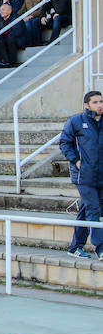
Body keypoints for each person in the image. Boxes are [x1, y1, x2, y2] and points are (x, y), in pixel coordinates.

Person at [60, 91, 103, 259]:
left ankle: (75, 247)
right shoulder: (76, 120)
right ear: (87, 105)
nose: (99, 105)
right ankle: (100, 248)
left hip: (100, 174)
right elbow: (65, 143)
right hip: (83, 175)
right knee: (93, 208)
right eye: (95, 102)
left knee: (86, 210)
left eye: (101, 101)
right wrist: (77, 161)